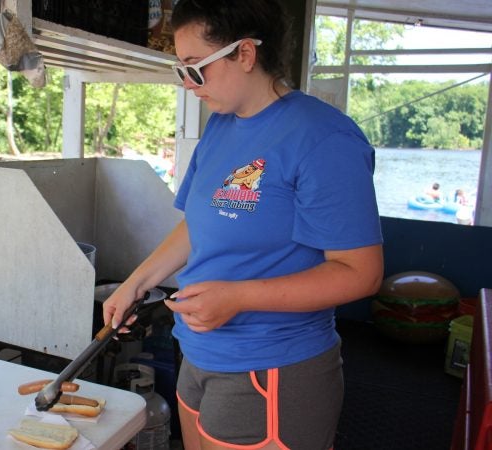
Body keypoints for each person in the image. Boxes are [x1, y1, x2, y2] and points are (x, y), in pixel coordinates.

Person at [102, 1, 384, 449]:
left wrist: (238, 297)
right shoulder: (220, 127)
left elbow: (361, 272)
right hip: (197, 353)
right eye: (181, 71)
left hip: (272, 365)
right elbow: (200, 224)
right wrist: (136, 282)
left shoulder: (324, 139)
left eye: (196, 69)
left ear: (245, 54)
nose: (188, 85)